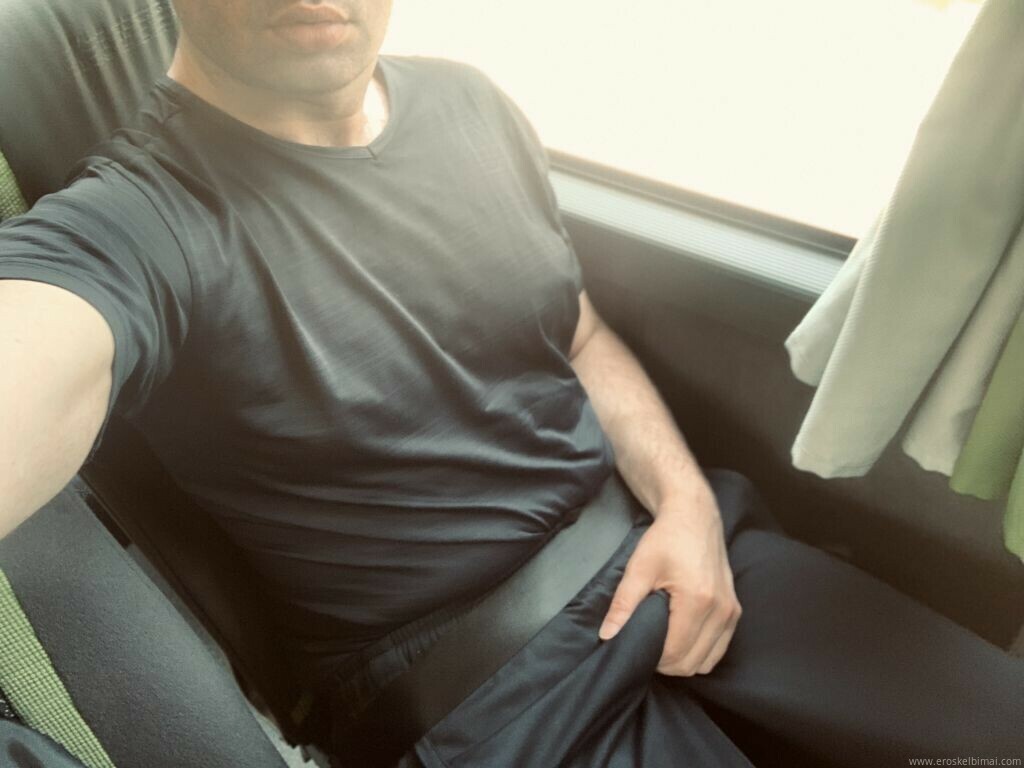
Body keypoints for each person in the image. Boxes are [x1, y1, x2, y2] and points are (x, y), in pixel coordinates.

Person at [0, 1, 1020, 765]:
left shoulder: (469, 104)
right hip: (492, 693)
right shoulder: (134, 228)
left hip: (674, 546)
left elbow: (577, 332)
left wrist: (685, 504)